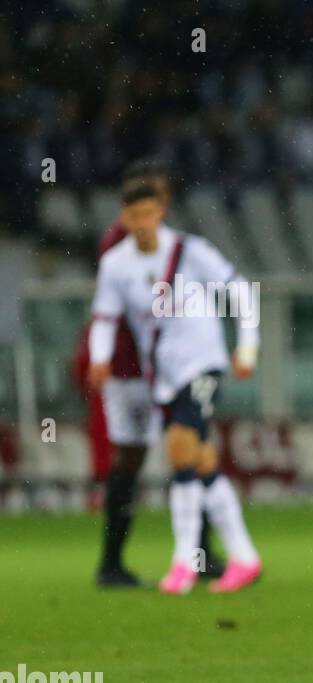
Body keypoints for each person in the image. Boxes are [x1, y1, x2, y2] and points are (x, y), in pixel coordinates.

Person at [88, 178, 262, 595]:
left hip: (203, 364)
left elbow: (238, 289)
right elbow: (106, 317)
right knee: (201, 461)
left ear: (160, 212)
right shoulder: (116, 264)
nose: (142, 222)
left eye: (148, 213)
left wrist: (248, 347)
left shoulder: (190, 250)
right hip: (163, 375)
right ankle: (245, 557)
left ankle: (183, 564)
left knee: (179, 448)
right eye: (134, 216)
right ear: (124, 218)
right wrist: (99, 357)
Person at [73, 159, 224, 587]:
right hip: (131, 372)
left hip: (170, 368)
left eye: (161, 197)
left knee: (189, 447)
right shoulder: (120, 247)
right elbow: (113, 312)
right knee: (135, 456)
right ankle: (113, 561)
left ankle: (198, 555)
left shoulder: (173, 245)